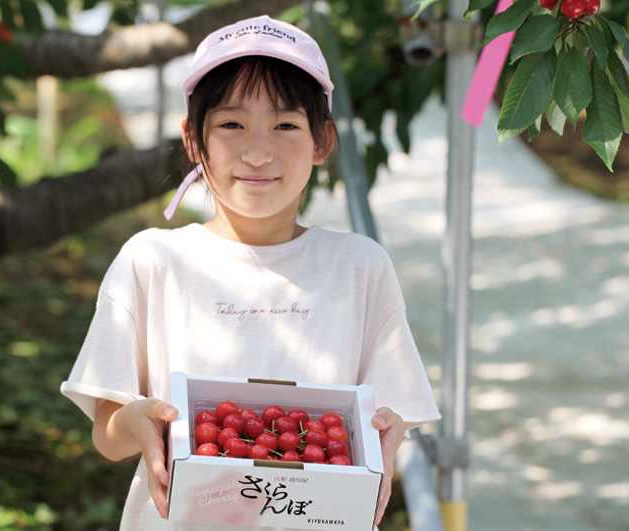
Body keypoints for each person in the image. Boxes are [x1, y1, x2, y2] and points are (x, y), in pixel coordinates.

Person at [61, 14, 440, 530]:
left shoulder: (359, 267)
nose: (258, 153)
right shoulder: (153, 262)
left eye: (285, 125)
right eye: (231, 124)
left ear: (322, 142)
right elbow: (107, 434)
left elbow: (385, 417)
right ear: (194, 140)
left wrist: (386, 431)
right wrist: (136, 419)